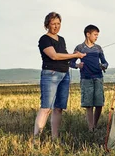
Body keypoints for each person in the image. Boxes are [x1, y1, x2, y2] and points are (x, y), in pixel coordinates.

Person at [33, 12, 85, 141]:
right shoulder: (44, 39)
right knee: (46, 108)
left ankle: (54, 138)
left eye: (58, 23)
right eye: (53, 24)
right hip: (50, 74)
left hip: (64, 74)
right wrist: (74, 55)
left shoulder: (61, 39)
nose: (56, 26)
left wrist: (76, 64)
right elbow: (54, 56)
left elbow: (64, 56)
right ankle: (36, 138)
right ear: (47, 25)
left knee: (59, 108)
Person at [70, 24, 109, 132]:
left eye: (97, 35)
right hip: (86, 78)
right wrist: (78, 65)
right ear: (88, 34)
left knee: (99, 103)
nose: (97, 37)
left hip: (98, 77)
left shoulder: (98, 48)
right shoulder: (79, 48)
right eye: (95, 35)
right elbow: (71, 63)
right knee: (89, 105)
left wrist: (103, 66)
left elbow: (105, 62)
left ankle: (95, 125)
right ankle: (91, 128)